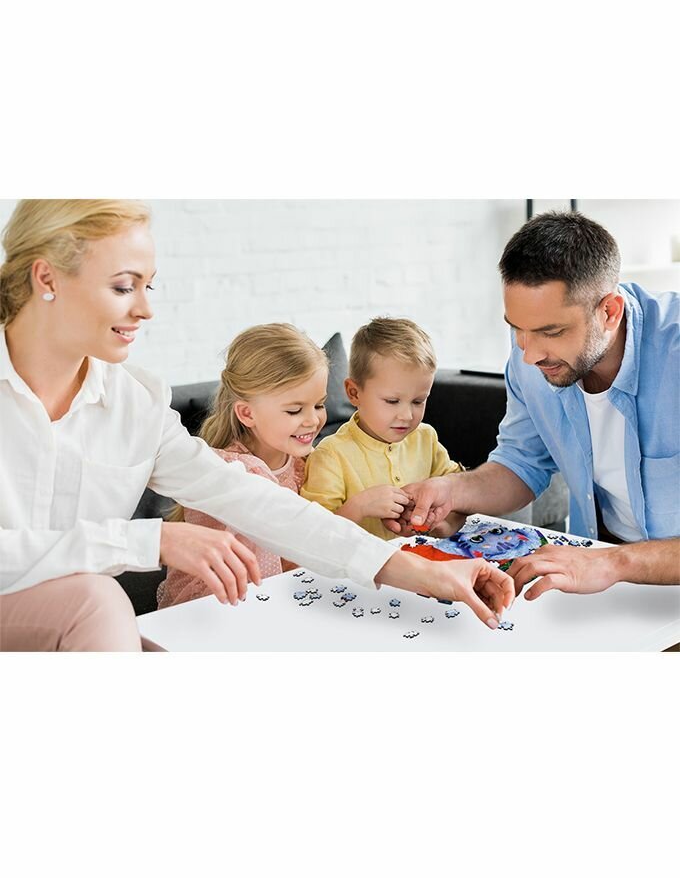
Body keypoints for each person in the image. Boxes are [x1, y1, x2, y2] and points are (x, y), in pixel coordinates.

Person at [0, 200, 514, 651]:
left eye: (147, 285)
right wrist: (149, 539)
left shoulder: (135, 402)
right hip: (73, 610)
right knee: (97, 598)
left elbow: (260, 503)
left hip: (74, 627)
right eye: (122, 286)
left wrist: (426, 574)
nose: (146, 308)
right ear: (47, 278)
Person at [392, 212, 680, 600]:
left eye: (551, 331)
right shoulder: (530, 361)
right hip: (597, 579)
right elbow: (520, 464)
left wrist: (615, 562)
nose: (529, 355)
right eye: (517, 328)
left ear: (609, 312)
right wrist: (452, 490)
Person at [157, 323, 329, 608]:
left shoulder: (308, 461)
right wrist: (355, 511)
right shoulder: (230, 473)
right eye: (295, 410)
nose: (312, 420)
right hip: (225, 600)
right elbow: (293, 554)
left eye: (319, 405)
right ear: (247, 413)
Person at [301, 317, 463, 540]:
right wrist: (359, 507)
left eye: (418, 401)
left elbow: (458, 491)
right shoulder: (330, 455)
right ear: (354, 393)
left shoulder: (425, 437)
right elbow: (314, 537)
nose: (407, 415)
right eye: (392, 401)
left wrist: (441, 523)